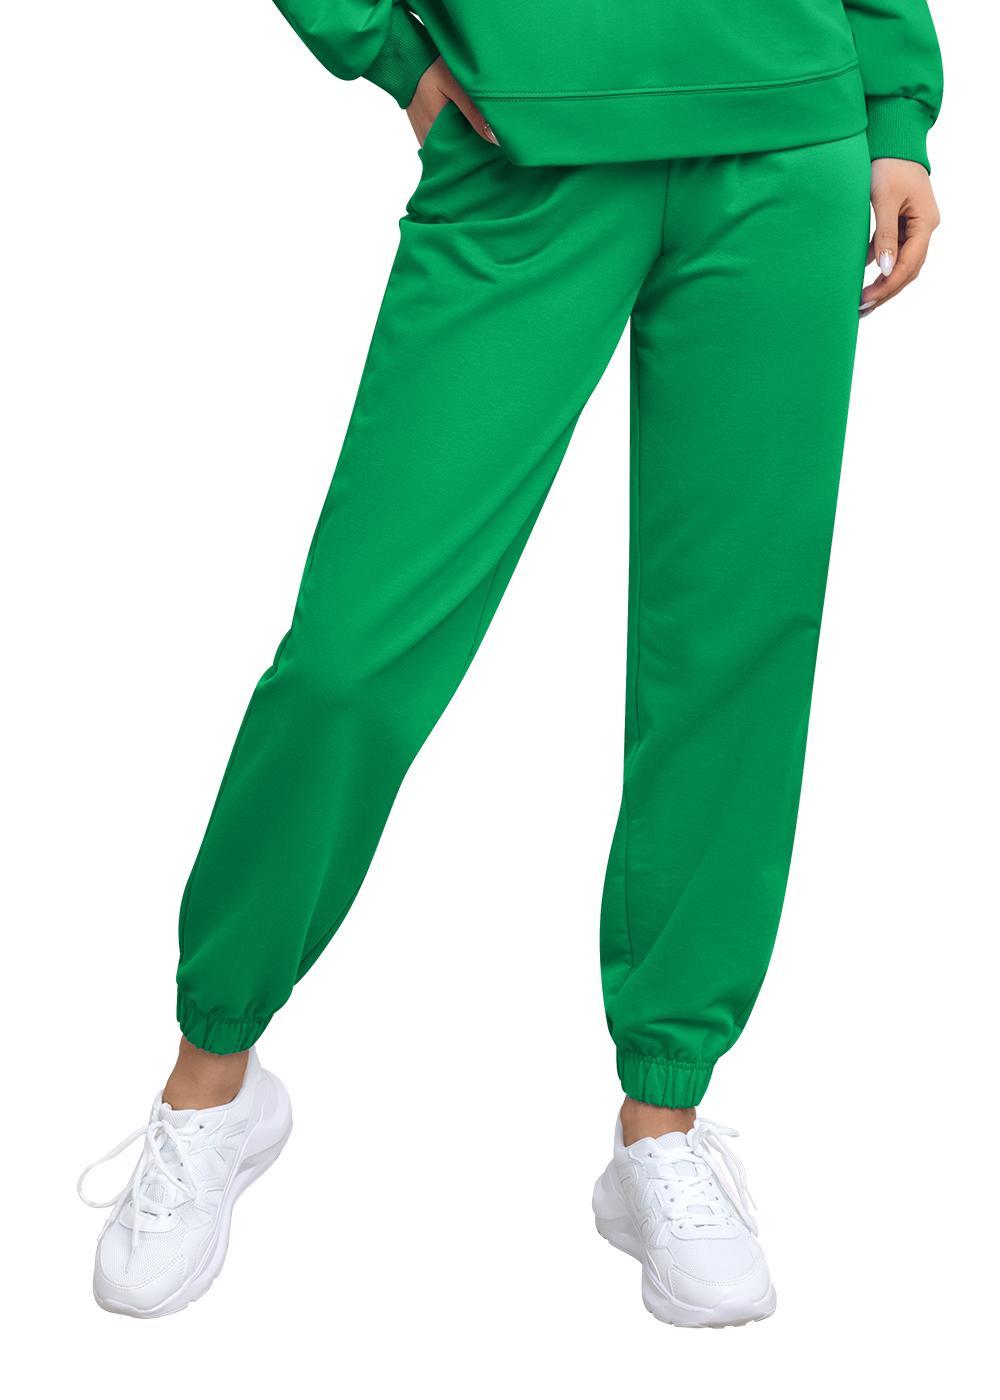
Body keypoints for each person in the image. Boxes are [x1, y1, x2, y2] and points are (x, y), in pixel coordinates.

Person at [77, 0, 942, 1324]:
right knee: (353, 658)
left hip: (789, 139)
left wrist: (893, 111)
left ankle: (663, 1119)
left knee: (736, 649)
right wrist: (394, 55)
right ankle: (213, 1079)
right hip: (523, 141)